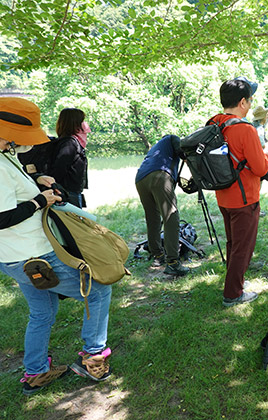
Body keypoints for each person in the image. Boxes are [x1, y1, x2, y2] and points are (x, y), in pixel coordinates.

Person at [0, 97, 113, 395]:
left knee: (42, 311)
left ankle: (36, 372)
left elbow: (11, 191)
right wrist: (41, 200)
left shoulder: (4, 154)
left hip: (15, 257)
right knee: (99, 290)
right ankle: (94, 357)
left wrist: (37, 179)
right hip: (33, 255)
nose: (18, 143)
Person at [209, 76, 268, 307]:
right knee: (243, 247)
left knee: (234, 244)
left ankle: (235, 281)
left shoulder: (214, 123)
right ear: (243, 102)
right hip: (245, 198)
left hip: (223, 195)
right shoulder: (245, 129)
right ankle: (233, 293)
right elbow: (261, 168)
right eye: (250, 100)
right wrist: (265, 154)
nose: (251, 104)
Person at [135, 134, 190, 276]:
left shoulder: (156, 149)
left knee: (152, 218)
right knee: (171, 217)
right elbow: (181, 150)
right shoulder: (172, 138)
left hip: (141, 178)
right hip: (160, 175)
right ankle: (173, 262)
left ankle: (157, 255)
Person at [50, 108, 90, 208]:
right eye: (82, 121)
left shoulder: (73, 142)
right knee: (75, 223)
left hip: (72, 192)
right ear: (75, 124)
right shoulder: (69, 144)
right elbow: (59, 169)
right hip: (68, 194)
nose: (85, 125)